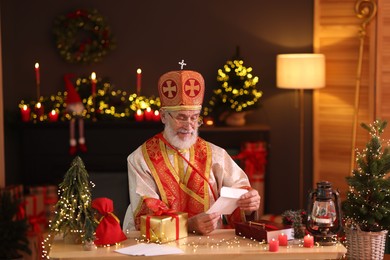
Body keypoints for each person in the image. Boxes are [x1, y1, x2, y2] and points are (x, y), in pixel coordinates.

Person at [123, 69, 260, 235]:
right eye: (181, 117)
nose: (189, 125)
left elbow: (240, 191)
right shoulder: (141, 159)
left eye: (194, 117)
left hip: (211, 244)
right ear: (164, 116)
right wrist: (187, 226)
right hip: (161, 248)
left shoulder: (215, 154)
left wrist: (249, 202)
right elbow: (146, 213)